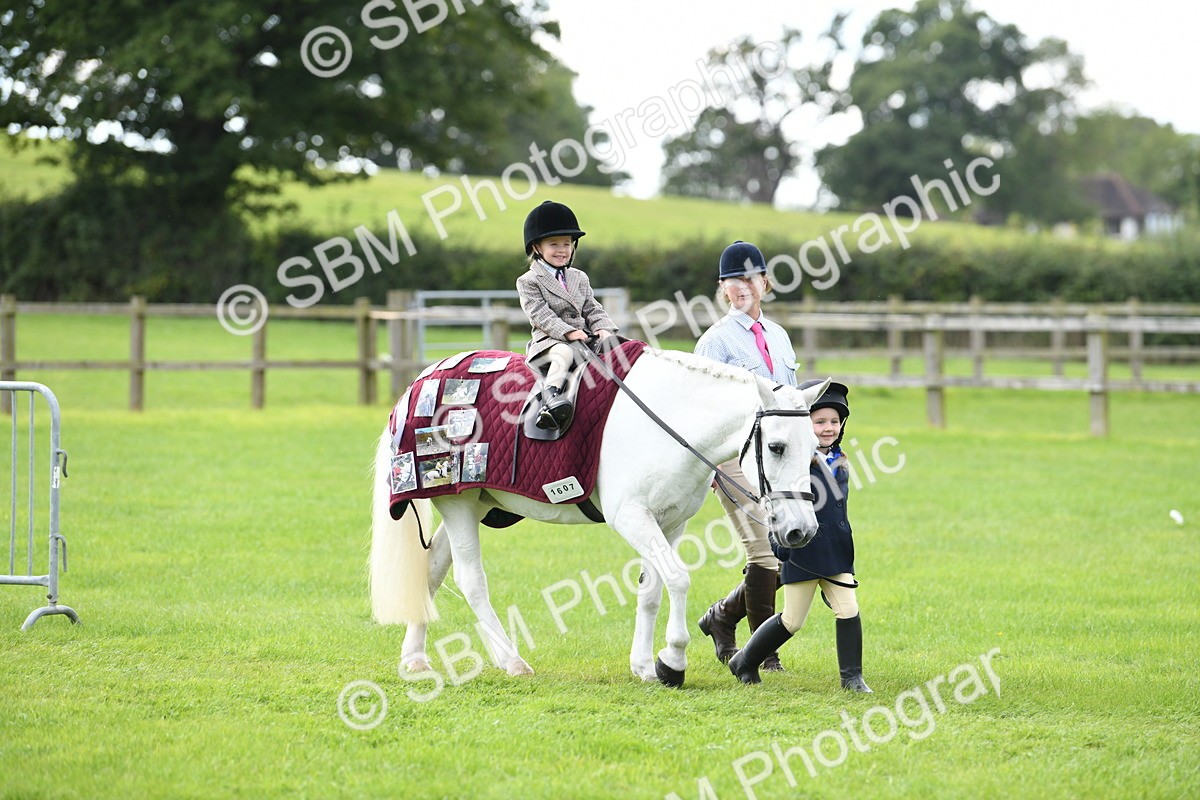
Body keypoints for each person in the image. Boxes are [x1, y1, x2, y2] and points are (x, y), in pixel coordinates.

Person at [694, 240, 799, 672]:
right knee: (764, 551)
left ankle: (722, 617)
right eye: (732, 279)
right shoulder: (714, 342)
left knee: (788, 546)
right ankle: (763, 654)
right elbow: (698, 410)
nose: (743, 286)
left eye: (751, 277)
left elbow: (791, 398)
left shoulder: (779, 336)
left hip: (777, 457)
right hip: (733, 456)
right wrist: (715, 466)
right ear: (722, 289)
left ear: (766, 283)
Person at [727, 379, 872, 692]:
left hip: (836, 553)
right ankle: (744, 660)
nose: (828, 428)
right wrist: (780, 545)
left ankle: (852, 678)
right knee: (792, 620)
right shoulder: (796, 464)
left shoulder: (841, 460)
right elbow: (777, 507)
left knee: (848, 609)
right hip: (803, 552)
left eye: (834, 421)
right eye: (819, 422)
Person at [516, 200, 618, 430]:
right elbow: (540, 315)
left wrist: (603, 327)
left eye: (567, 244)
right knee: (563, 353)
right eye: (554, 244)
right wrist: (569, 332)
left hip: (583, 339)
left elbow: (592, 307)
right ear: (536, 248)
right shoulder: (528, 281)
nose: (562, 250)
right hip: (550, 343)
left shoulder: (579, 277)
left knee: (622, 349)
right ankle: (551, 401)